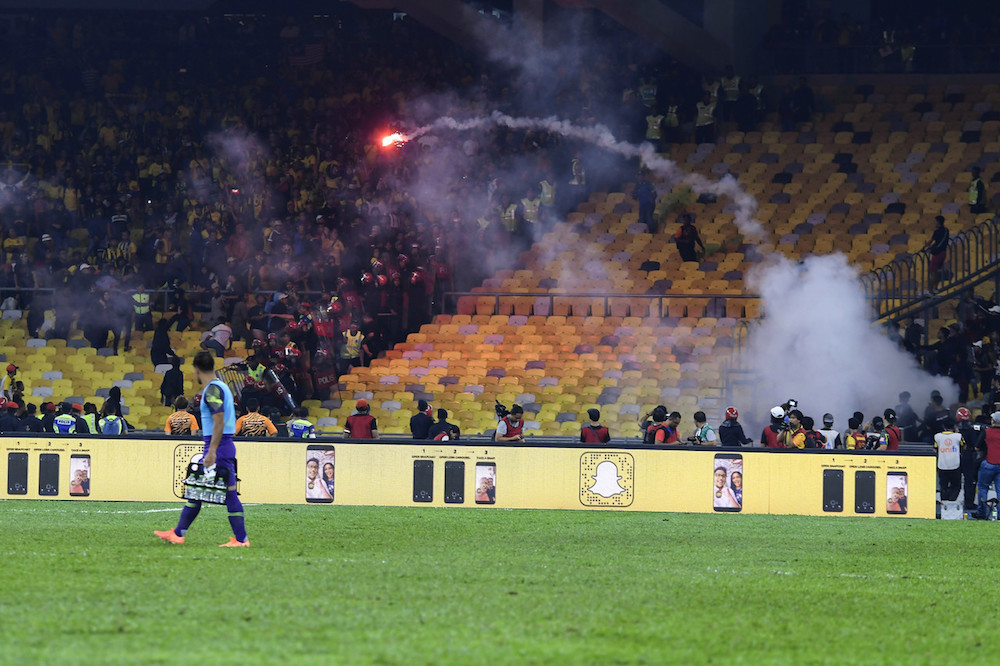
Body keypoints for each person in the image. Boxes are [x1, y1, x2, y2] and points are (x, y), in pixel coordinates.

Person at [156, 350, 249, 547]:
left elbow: (219, 420)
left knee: (227, 493)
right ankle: (179, 533)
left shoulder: (212, 390)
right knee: (197, 490)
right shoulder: (222, 387)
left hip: (218, 446)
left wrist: (212, 451)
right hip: (223, 445)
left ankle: (241, 539)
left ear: (196, 370)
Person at [972, 412, 1000, 519]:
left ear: (993, 421)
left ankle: (982, 513)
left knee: (983, 488)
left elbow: (977, 447)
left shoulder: (986, 431)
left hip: (988, 463)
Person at [956, 407, 983, 513]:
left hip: (955, 456)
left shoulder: (954, 429)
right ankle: (969, 503)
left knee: (954, 481)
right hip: (969, 457)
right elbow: (976, 444)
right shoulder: (971, 430)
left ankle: (950, 501)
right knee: (969, 481)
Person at [935, 417, 963, 502]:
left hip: (942, 465)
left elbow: (935, 448)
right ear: (954, 426)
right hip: (955, 465)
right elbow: (964, 446)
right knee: (956, 486)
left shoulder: (937, 436)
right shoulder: (958, 436)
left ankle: (944, 503)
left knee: (943, 486)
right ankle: (952, 501)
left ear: (943, 426)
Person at [923, 215, 949, 294]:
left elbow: (930, 241)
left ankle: (930, 290)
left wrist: (924, 247)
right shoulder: (946, 230)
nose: (934, 223)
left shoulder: (937, 232)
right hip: (943, 253)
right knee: (936, 271)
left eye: (935, 222)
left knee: (933, 272)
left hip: (938, 254)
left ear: (938, 222)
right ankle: (935, 288)